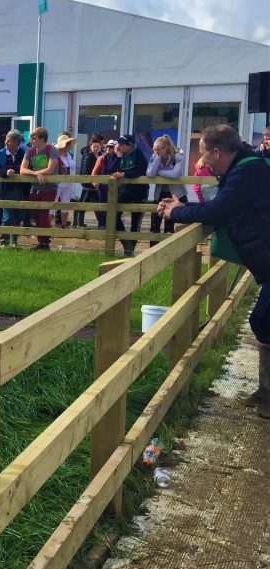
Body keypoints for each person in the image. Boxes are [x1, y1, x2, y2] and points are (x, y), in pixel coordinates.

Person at [158, 124, 270, 414]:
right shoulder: (246, 166)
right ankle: (266, 393)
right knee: (264, 321)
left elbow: (217, 210)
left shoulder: (246, 172)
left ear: (218, 152)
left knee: (264, 320)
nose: (203, 160)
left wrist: (175, 212)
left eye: (205, 153)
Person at [109, 134, 149, 257]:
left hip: (139, 191)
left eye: (122, 144)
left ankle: (129, 250)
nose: (118, 146)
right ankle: (126, 243)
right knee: (112, 215)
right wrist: (118, 157)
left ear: (129, 145)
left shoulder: (138, 154)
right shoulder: (119, 155)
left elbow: (143, 170)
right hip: (125, 190)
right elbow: (110, 169)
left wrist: (125, 174)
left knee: (135, 221)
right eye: (118, 143)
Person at [20, 127, 59, 251]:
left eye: (34, 138)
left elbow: (50, 170)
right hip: (36, 187)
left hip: (50, 187)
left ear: (43, 139)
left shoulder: (52, 149)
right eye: (31, 138)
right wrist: (36, 174)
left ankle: (45, 243)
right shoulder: (30, 151)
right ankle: (41, 242)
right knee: (36, 215)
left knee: (43, 214)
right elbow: (22, 170)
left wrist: (37, 173)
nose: (31, 140)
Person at [146, 135, 185, 243]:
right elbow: (149, 173)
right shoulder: (155, 157)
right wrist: (157, 159)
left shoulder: (178, 156)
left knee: (169, 226)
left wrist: (159, 173)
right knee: (154, 224)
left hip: (176, 194)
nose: (156, 152)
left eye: (159, 149)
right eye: (154, 149)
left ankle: (168, 251)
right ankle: (152, 250)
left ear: (166, 148)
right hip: (159, 194)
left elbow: (175, 174)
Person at [0, 130, 27, 246]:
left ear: (16, 142)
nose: (6, 143)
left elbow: (27, 168)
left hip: (20, 190)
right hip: (5, 190)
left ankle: (14, 242)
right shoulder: (0, 153)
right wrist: (5, 172)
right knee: (8, 217)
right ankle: (4, 242)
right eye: (6, 140)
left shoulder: (23, 153)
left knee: (18, 216)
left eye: (9, 141)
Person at [75, 134, 104, 228]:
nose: (96, 148)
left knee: (97, 205)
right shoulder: (88, 156)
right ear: (90, 146)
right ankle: (79, 223)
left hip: (96, 185)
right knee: (83, 203)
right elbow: (85, 171)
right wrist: (91, 183)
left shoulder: (100, 155)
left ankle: (101, 223)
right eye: (94, 146)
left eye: (98, 146)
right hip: (88, 185)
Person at [53, 133, 75, 230]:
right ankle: (48, 224)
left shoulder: (69, 154)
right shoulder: (55, 154)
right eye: (67, 143)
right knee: (53, 204)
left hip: (68, 183)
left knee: (66, 204)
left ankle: (64, 224)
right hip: (57, 183)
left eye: (69, 143)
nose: (68, 145)